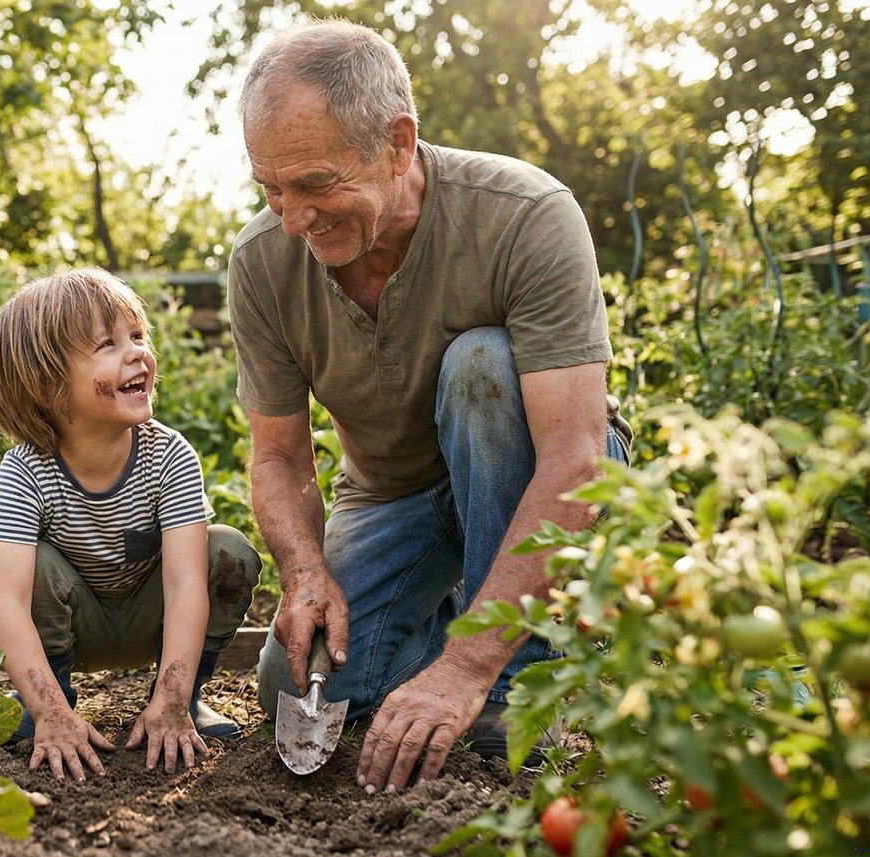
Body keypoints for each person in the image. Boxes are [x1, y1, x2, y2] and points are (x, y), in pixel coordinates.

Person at [227, 19, 632, 794]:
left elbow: (576, 458)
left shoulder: (525, 215)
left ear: (398, 143)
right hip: (396, 495)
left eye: (313, 184)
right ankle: (489, 618)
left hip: (539, 471)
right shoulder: (263, 262)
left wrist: (469, 668)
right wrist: (305, 571)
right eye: (271, 188)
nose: (292, 217)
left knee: (481, 366)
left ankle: (517, 681)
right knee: (297, 685)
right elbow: (279, 455)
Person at [0, 268, 261, 782]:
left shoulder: (170, 456)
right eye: (107, 344)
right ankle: (52, 706)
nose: (136, 353)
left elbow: (184, 584)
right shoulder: (25, 472)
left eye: (137, 336)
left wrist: (172, 696)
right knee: (31, 568)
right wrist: (49, 711)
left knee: (227, 553)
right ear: (46, 385)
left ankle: (182, 702)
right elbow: (8, 601)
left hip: (149, 620)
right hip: (69, 627)